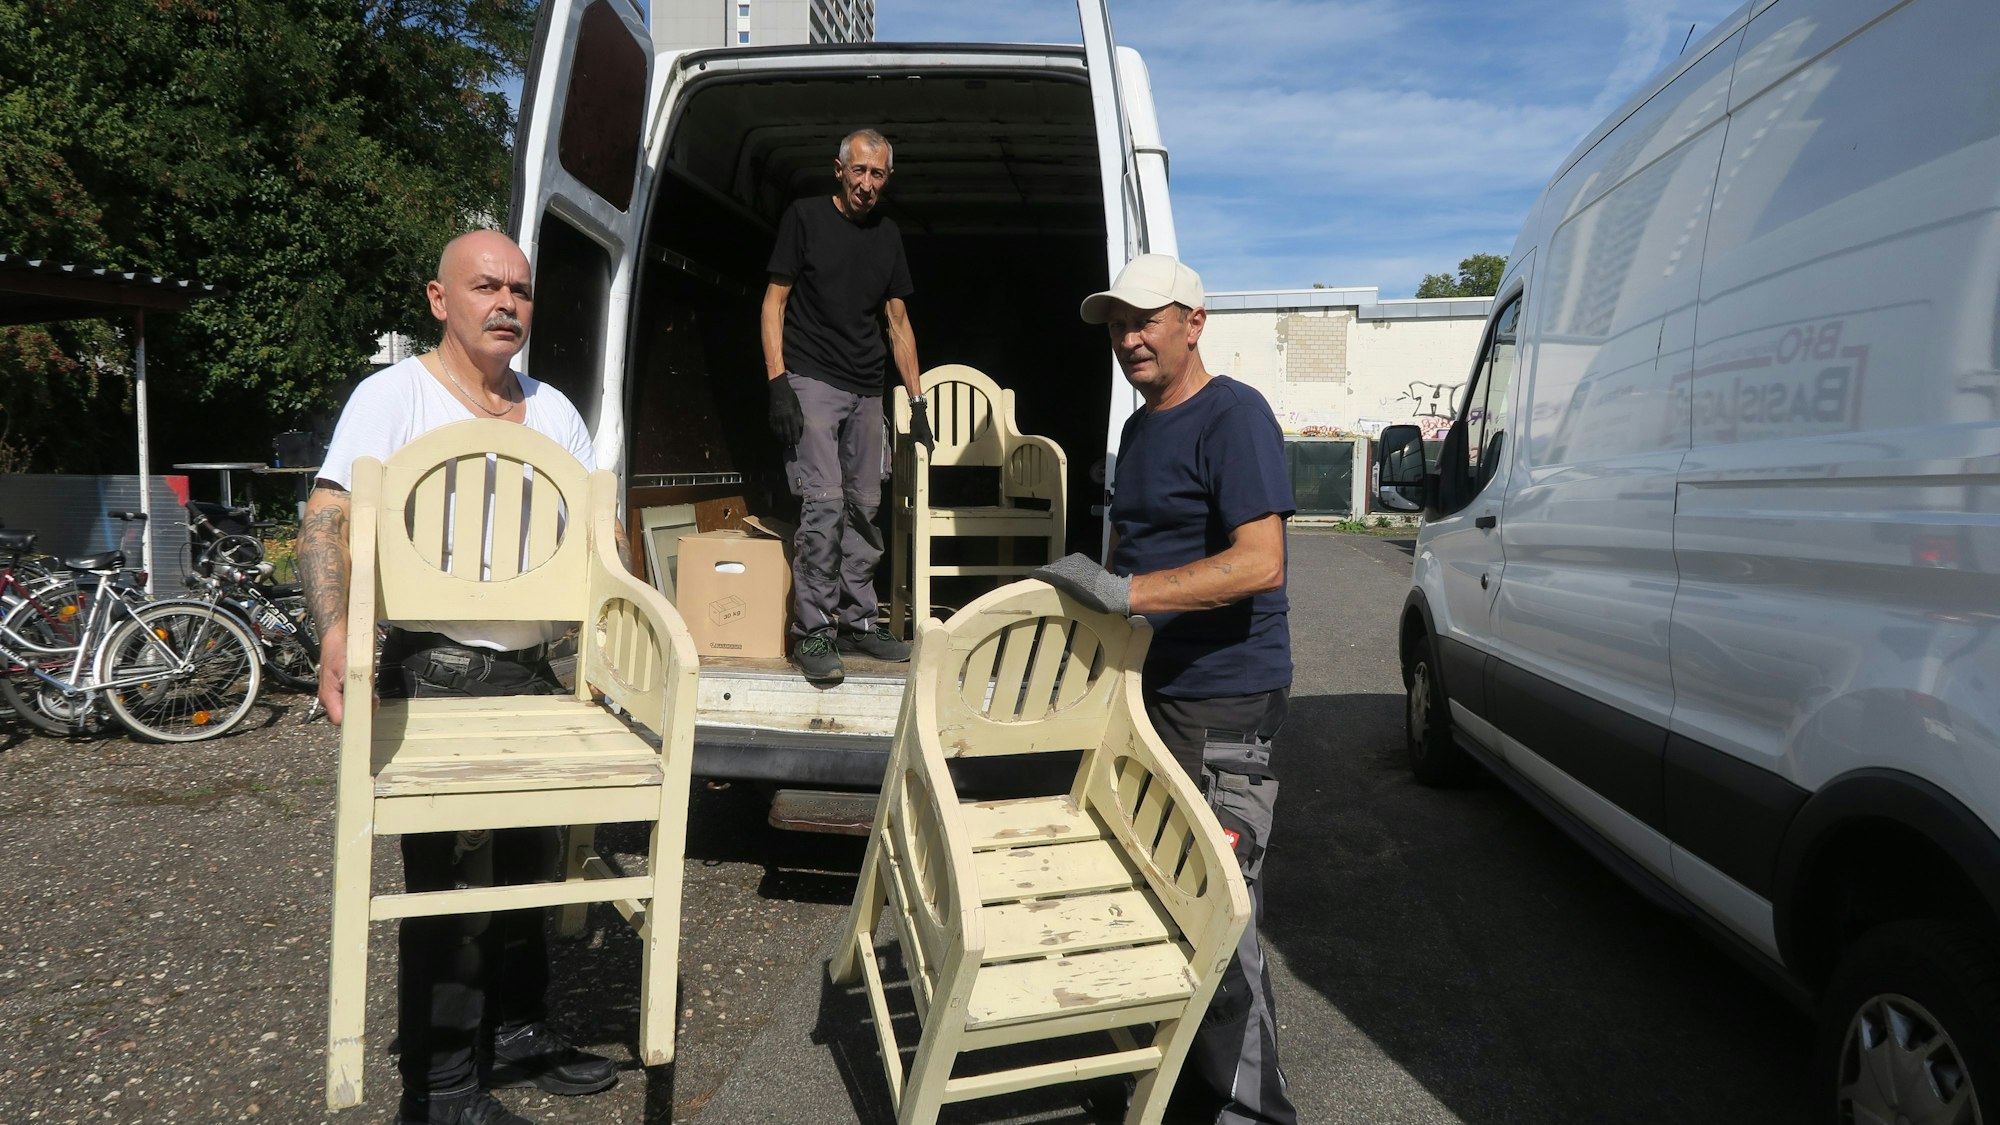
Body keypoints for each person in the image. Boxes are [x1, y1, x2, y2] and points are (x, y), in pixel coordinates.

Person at [298, 230, 616, 1125]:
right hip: (431, 671)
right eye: (485, 286)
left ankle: (517, 1032)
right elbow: (329, 517)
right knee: (451, 893)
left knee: (532, 866)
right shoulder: (392, 396)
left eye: (520, 288)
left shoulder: (556, 411)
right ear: (441, 301)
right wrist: (334, 627)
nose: (507, 302)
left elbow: (603, 546)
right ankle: (437, 1093)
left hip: (533, 672)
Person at [1035, 254, 1299, 1125]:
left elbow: (1262, 561)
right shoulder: (1141, 430)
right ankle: (1170, 1090)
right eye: (1117, 323)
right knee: (1152, 898)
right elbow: (1131, 557)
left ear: (1195, 320)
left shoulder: (1235, 415)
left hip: (1224, 705)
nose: (1130, 337)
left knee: (1218, 919)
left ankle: (1254, 1115)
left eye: (1146, 319)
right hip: (1149, 695)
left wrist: (1130, 595)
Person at [761, 127, 934, 686]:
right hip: (812, 377)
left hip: (867, 386)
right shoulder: (805, 217)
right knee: (825, 503)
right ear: (839, 170)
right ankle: (812, 629)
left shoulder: (887, 235)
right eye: (857, 171)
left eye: (877, 174)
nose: (866, 184)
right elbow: (774, 304)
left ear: (887, 178)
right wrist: (778, 383)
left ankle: (860, 620)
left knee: (865, 505)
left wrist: (917, 397)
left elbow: (898, 323)